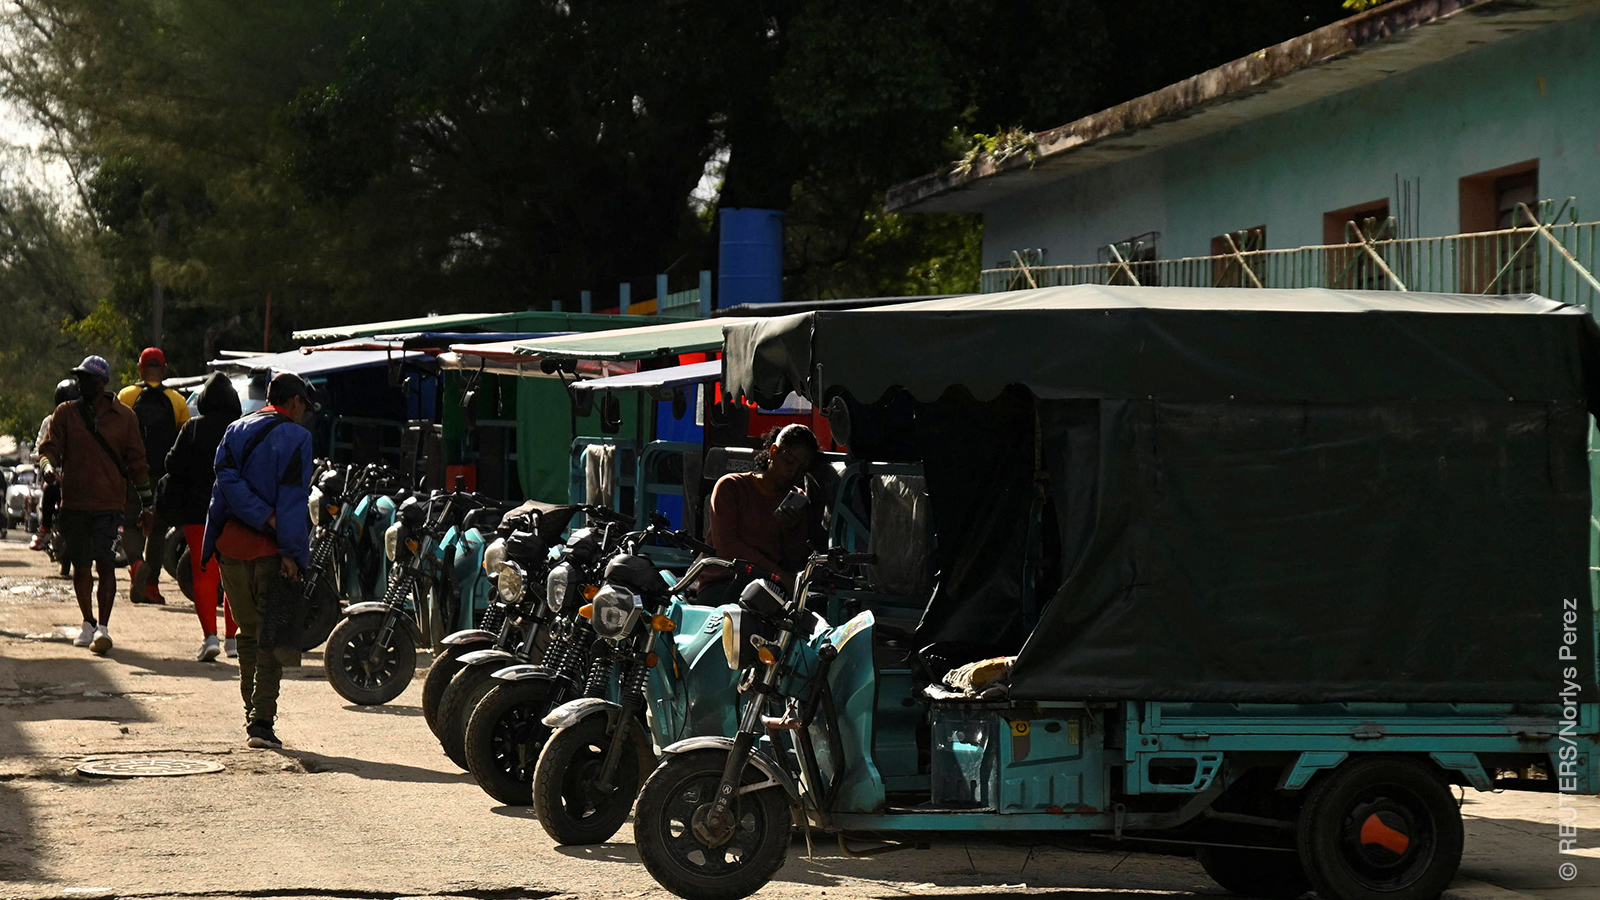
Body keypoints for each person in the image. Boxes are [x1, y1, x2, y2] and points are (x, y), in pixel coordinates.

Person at [202, 372, 314, 750]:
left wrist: (255, 513)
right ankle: (262, 723)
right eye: (304, 407)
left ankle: (252, 713)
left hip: (231, 548)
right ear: (295, 401)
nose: (303, 414)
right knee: (272, 636)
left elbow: (224, 482)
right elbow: (293, 499)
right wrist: (288, 546)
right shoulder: (297, 437)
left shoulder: (235, 429)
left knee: (246, 633)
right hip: (271, 551)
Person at [37, 355, 153, 655]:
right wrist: (48, 467)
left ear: (102, 383)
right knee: (80, 567)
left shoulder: (126, 418)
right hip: (73, 504)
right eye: (80, 378)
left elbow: (138, 464)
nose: (81, 383)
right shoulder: (65, 413)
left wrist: (147, 504)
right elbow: (49, 448)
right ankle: (87, 623)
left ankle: (103, 627)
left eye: (87, 379)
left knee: (105, 563)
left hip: (110, 505)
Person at [162, 372, 242, 662]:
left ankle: (210, 637)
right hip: (234, 512)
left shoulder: (193, 429)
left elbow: (173, 464)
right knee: (232, 574)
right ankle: (233, 640)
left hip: (198, 512)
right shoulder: (239, 429)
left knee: (204, 573)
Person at [698, 424, 822, 603]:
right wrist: (777, 575)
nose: (793, 472)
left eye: (802, 468)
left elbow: (793, 561)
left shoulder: (796, 499)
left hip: (769, 586)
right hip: (723, 580)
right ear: (773, 451)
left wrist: (791, 531)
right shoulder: (731, 486)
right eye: (789, 462)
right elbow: (727, 547)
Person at [117, 347, 190, 605]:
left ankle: (136, 564)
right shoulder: (177, 400)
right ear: (165, 369)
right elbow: (183, 443)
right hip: (162, 475)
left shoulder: (126, 395)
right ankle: (151, 587)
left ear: (140, 368)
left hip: (132, 473)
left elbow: (115, 434)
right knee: (158, 529)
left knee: (129, 521)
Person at [30, 379, 79, 553]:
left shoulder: (86, 422)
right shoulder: (49, 422)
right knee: (51, 488)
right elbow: (39, 448)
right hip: (55, 472)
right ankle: (45, 528)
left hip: (78, 474)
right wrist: (44, 462)